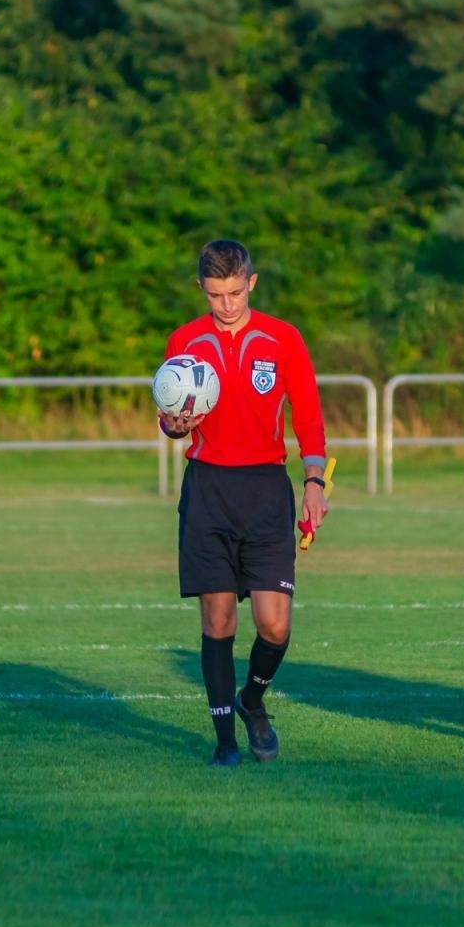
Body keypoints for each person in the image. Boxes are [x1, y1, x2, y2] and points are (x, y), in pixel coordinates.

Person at [159, 239, 330, 766]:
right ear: (202, 290)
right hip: (208, 489)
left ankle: (252, 700)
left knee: (275, 624)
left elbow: (308, 414)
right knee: (218, 621)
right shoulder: (185, 341)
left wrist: (315, 481)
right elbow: (169, 415)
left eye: (235, 292)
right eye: (215, 295)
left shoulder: (282, 339)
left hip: (265, 490)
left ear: (251, 282)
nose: (227, 305)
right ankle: (226, 745)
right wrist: (174, 423)